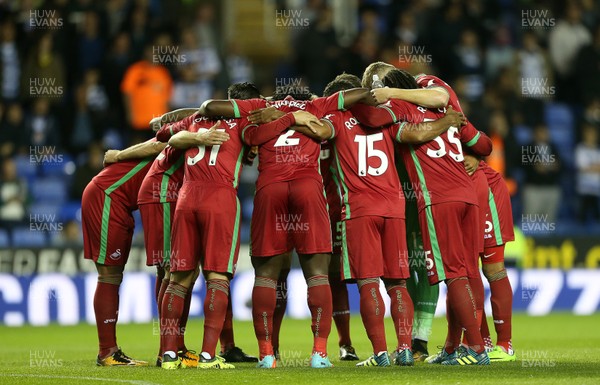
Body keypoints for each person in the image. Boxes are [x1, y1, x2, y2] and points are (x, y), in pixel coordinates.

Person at [199, 85, 370, 369]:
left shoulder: (260, 108)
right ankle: (319, 353)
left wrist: (272, 114)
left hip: (270, 188)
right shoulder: (315, 108)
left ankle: (267, 355)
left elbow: (210, 108)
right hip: (308, 187)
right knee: (317, 273)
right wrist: (370, 92)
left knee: (266, 275)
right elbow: (353, 95)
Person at [354, 68, 491, 365]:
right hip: (468, 196)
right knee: (467, 273)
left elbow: (378, 121)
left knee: (453, 275)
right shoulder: (441, 106)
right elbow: (447, 100)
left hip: (437, 200)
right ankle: (456, 347)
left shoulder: (398, 108)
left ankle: (478, 349)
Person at [82, 138, 166, 366]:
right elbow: (159, 144)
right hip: (108, 196)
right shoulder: (181, 139)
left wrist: (119, 154)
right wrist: (118, 155)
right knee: (109, 274)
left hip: (119, 201)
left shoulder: (185, 136)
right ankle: (107, 352)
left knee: (117, 274)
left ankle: (164, 349)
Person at [575, 123, 600, 223]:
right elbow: (582, 168)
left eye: (593, 134)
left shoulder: (598, 150)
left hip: (597, 189)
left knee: (597, 219)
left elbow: (588, 167)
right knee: (582, 219)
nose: (591, 136)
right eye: (589, 133)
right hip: (584, 189)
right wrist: (594, 167)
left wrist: (590, 167)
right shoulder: (580, 149)